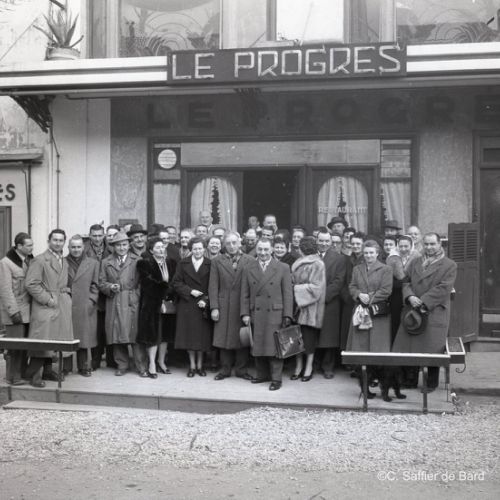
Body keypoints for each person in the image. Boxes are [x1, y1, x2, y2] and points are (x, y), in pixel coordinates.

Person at [392, 233, 457, 392]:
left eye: (432, 244)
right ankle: (409, 380)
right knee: (410, 344)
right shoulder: (416, 262)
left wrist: (423, 301)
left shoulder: (450, 265)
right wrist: (410, 296)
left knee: (432, 347)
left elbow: (443, 288)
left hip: (433, 310)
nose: (429, 247)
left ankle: (430, 383)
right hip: (413, 309)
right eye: (426, 244)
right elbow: (406, 282)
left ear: (440, 244)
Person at [241, 238, 293, 391]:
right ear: (256, 250)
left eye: (265, 249)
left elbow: (288, 294)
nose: (263, 253)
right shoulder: (248, 268)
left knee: (274, 347)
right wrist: (245, 313)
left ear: (271, 250)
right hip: (256, 312)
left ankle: (276, 379)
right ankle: (262, 374)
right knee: (258, 345)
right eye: (260, 249)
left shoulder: (283, 267)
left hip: (275, 313)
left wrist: (287, 315)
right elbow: (244, 294)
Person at [346, 240, 395, 401]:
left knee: (378, 351)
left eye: (371, 252)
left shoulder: (386, 269)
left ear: (377, 253)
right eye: (366, 252)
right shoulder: (357, 269)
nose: (368, 255)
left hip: (378, 314)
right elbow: (352, 286)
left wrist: (370, 297)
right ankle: (364, 387)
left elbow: (386, 290)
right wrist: (359, 295)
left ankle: (383, 388)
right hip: (360, 312)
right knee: (361, 351)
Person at [24, 229, 73, 387]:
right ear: (48, 241)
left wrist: (66, 291)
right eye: (55, 240)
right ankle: (34, 375)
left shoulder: (63, 260)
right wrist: (48, 299)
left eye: (61, 240)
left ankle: (47, 370)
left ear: (64, 242)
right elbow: (31, 284)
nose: (58, 243)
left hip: (60, 305)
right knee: (42, 340)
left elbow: (61, 281)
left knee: (54, 340)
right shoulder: (40, 260)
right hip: (45, 306)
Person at [99, 231, 147, 377]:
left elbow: (143, 282)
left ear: (129, 245)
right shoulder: (106, 262)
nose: (121, 248)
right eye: (118, 245)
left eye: (124, 244)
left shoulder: (137, 260)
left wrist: (135, 296)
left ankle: (141, 366)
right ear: (113, 247)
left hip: (132, 301)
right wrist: (110, 287)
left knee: (135, 335)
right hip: (114, 300)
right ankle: (122, 365)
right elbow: (101, 282)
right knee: (117, 334)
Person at [209, 231, 254, 381]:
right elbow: (213, 286)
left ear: (240, 243)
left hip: (242, 304)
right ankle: (225, 370)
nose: (232, 246)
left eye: (234, 242)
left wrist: (248, 309)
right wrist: (214, 307)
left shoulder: (249, 260)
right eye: (228, 243)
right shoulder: (217, 261)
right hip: (224, 305)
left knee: (242, 338)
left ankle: (241, 370)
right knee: (224, 338)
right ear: (224, 245)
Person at [136, 237, 177, 379]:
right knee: (153, 335)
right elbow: (148, 284)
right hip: (151, 304)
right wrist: (161, 298)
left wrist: (168, 296)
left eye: (162, 246)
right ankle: (152, 364)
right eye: (158, 247)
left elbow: (175, 281)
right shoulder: (144, 263)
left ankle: (161, 362)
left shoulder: (171, 263)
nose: (161, 249)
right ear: (151, 250)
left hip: (168, 303)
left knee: (165, 334)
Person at [173, 236, 212, 376]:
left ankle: (200, 366)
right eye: (195, 249)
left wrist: (206, 300)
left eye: (200, 248)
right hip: (187, 303)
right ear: (191, 249)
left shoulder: (210, 264)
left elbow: (213, 285)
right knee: (189, 336)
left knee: (201, 337)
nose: (198, 251)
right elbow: (176, 282)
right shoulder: (183, 263)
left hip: (203, 305)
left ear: (204, 249)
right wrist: (190, 291)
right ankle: (192, 366)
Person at [290, 237, 326, 382]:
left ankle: (308, 367)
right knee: (297, 338)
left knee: (308, 339)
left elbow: (317, 288)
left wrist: (296, 289)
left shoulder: (317, 264)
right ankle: (298, 366)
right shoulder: (298, 262)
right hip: (296, 306)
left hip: (310, 308)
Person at [0, 232, 33, 385]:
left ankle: (21, 373)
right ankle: (12, 377)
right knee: (14, 346)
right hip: (15, 312)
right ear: (19, 246)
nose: (32, 248)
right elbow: (5, 290)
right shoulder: (5, 263)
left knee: (24, 345)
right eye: (29, 245)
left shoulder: (29, 260)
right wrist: (13, 311)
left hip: (28, 311)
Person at [66, 235, 100, 377]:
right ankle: (65, 367)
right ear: (68, 247)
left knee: (84, 337)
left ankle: (84, 366)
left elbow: (96, 285)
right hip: (67, 304)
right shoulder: (62, 262)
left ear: (83, 247)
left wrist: (91, 300)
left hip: (84, 304)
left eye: (79, 247)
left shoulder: (93, 263)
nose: (76, 249)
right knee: (66, 337)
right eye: (73, 247)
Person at [316, 228, 347, 378]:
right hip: (311, 303)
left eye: (326, 241)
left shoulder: (339, 259)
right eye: (321, 240)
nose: (324, 244)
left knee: (329, 336)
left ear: (331, 242)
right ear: (316, 241)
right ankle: (314, 364)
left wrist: (322, 297)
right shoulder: (310, 256)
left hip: (330, 301)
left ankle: (328, 366)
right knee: (313, 334)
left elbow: (338, 281)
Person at [85, 223, 115, 370]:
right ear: (89, 236)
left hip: (108, 293)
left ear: (104, 235)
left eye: (100, 235)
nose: (97, 239)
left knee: (109, 327)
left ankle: (111, 359)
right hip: (92, 292)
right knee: (95, 329)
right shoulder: (84, 250)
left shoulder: (111, 249)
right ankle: (95, 360)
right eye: (94, 236)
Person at [383, 236, 406, 342]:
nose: (388, 247)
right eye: (386, 244)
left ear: (396, 246)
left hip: (397, 295)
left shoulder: (396, 258)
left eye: (390, 244)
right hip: (386, 296)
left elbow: (402, 279)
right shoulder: (382, 258)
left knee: (395, 321)